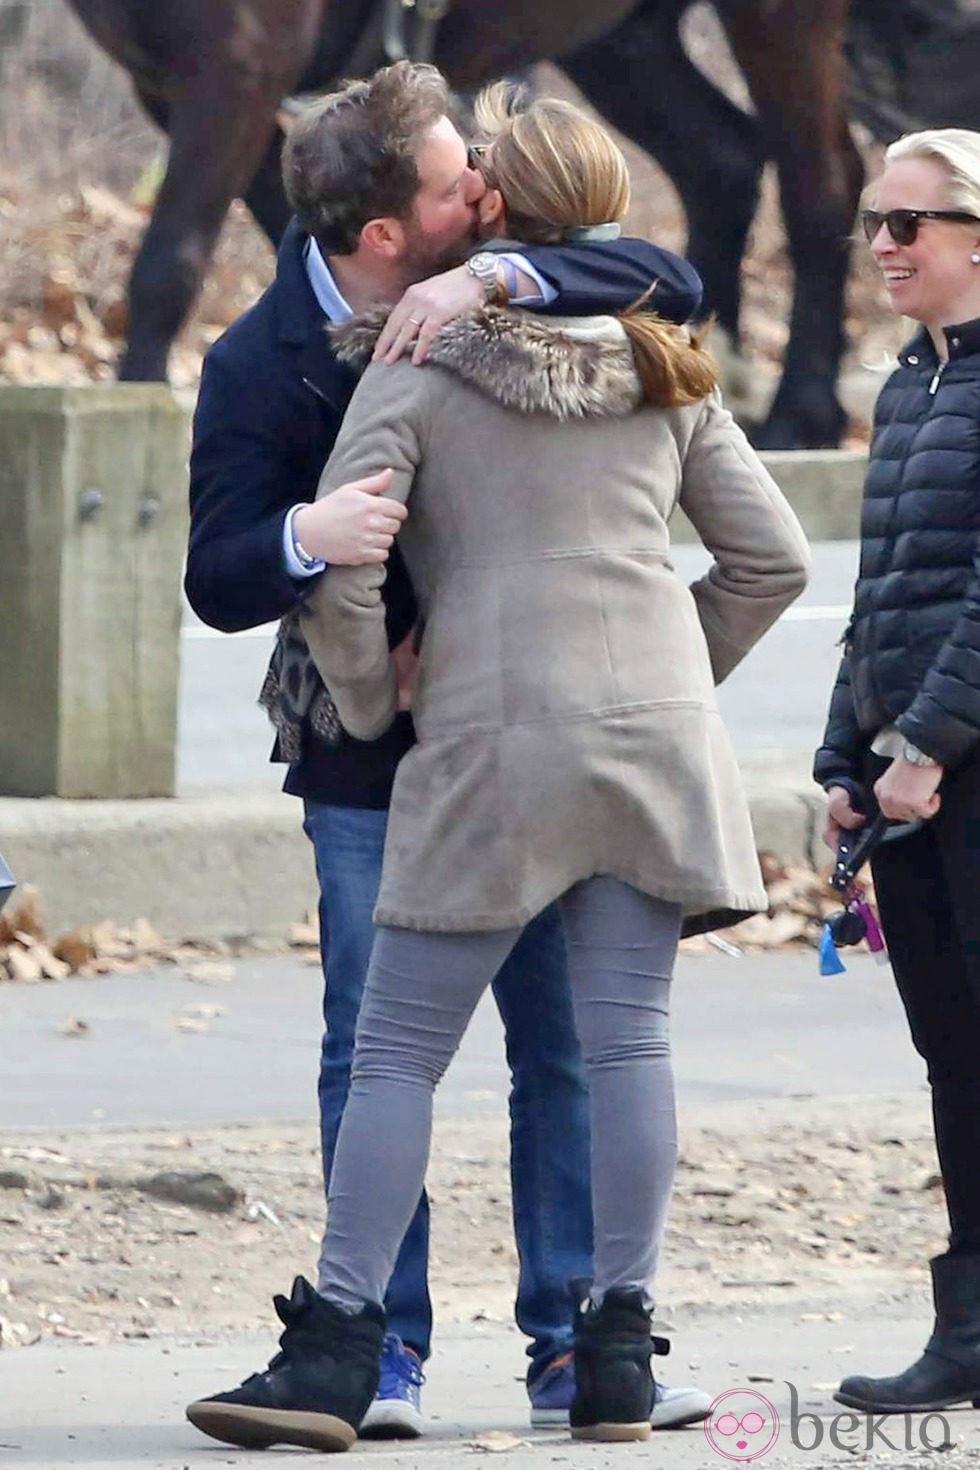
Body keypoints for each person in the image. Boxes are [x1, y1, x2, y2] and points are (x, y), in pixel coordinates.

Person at [186, 86, 810, 1452]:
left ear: (498, 217)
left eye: (482, 176)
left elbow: (352, 580)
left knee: (398, 1048)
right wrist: (658, 676)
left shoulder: (416, 359)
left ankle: (343, 1345)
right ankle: (615, 1355)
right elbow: (776, 562)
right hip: (652, 748)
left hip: (478, 745)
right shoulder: (666, 359)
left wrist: (369, 697)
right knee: (624, 1039)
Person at [815, 127, 980, 1415]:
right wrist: (844, 756)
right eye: (877, 219)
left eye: (910, 224)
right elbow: (878, 597)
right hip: (910, 783)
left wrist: (925, 746)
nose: (884, 243)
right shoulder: (905, 390)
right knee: (954, 1055)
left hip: (962, 772)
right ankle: (970, 1330)